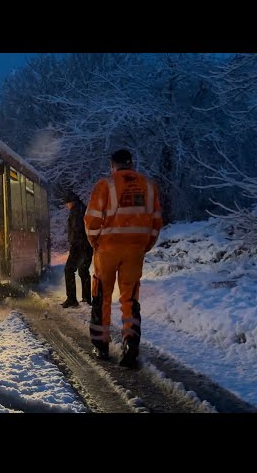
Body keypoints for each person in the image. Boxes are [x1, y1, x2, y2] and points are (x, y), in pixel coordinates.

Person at [84, 149, 163, 368]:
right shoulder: (149, 187)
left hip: (107, 250)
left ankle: (101, 345)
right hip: (135, 251)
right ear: (131, 164)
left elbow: (91, 221)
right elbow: (156, 222)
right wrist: (144, 246)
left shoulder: (105, 186)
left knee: (102, 296)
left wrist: (96, 244)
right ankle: (130, 343)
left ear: (113, 165)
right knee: (130, 299)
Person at [61, 191, 93, 308]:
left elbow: (77, 230)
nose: (66, 206)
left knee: (69, 270)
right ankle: (86, 299)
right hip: (88, 246)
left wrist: (74, 244)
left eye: (67, 204)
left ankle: (72, 299)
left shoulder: (76, 211)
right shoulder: (83, 208)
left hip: (79, 246)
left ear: (71, 202)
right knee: (83, 271)